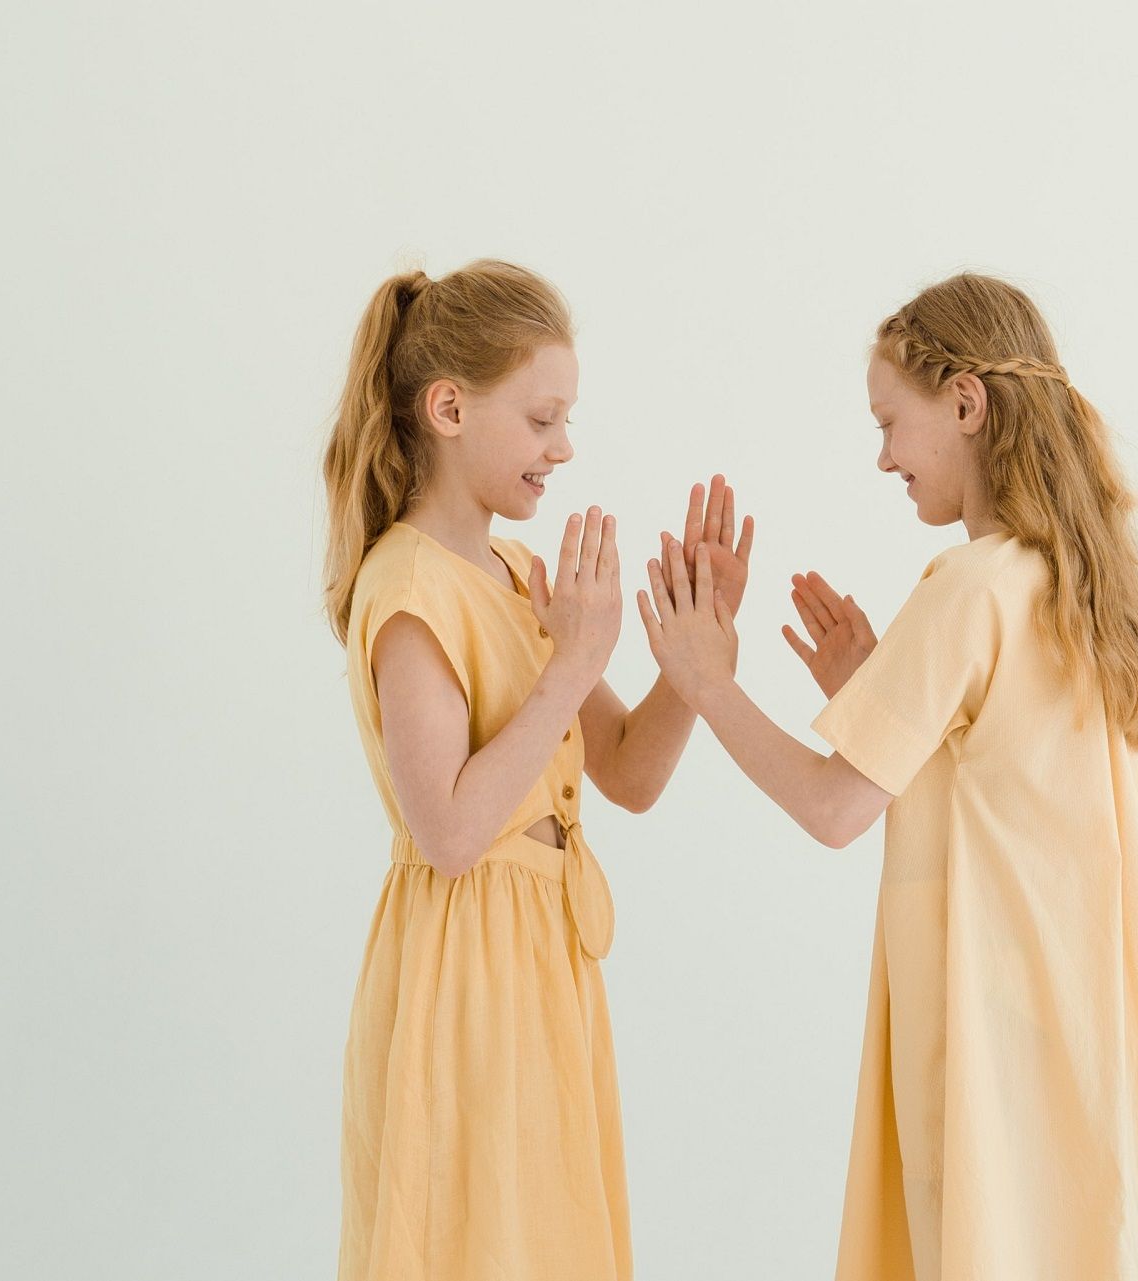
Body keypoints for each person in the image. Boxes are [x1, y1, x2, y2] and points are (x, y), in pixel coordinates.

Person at [636, 272, 1138, 1279]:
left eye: (890, 424)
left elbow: (833, 809)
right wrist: (872, 688)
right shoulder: (1069, 585)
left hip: (992, 1049)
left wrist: (706, 682)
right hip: (1083, 1037)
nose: (883, 458)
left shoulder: (969, 588)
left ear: (964, 402)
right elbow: (1001, 787)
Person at [321, 259, 753, 1280]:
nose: (563, 447)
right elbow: (453, 832)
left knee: (546, 1241)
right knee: (475, 1244)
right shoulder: (410, 586)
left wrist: (693, 663)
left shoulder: (514, 575)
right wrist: (571, 666)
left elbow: (628, 777)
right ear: (449, 407)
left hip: (542, 961)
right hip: (461, 972)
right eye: (543, 418)